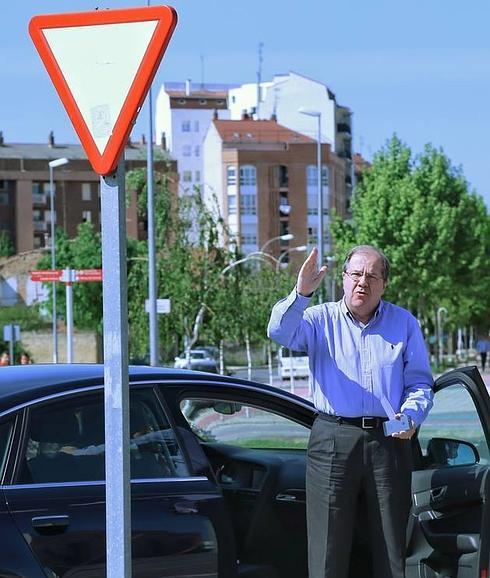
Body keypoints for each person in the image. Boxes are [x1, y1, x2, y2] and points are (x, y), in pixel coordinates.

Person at [268, 245, 434, 578]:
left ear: (384, 284)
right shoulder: (318, 319)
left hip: (389, 441)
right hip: (332, 439)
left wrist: (411, 415)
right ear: (343, 278)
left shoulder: (404, 323)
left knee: (392, 547)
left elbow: (419, 383)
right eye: (356, 274)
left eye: (372, 276)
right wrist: (301, 294)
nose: (363, 282)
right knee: (327, 549)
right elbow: (279, 332)